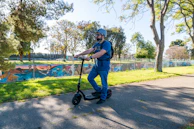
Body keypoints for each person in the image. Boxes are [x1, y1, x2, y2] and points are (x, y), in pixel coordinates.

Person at [74, 29, 112, 104]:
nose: (96, 36)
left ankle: (103, 97)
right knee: (90, 78)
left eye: (98, 34)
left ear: (102, 35)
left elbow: (101, 53)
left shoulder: (106, 44)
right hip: (97, 65)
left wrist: (91, 57)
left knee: (104, 83)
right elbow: (89, 50)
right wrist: (79, 54)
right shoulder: (96, 44)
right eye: (96, 34)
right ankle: (98, 91)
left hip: (104, 66)